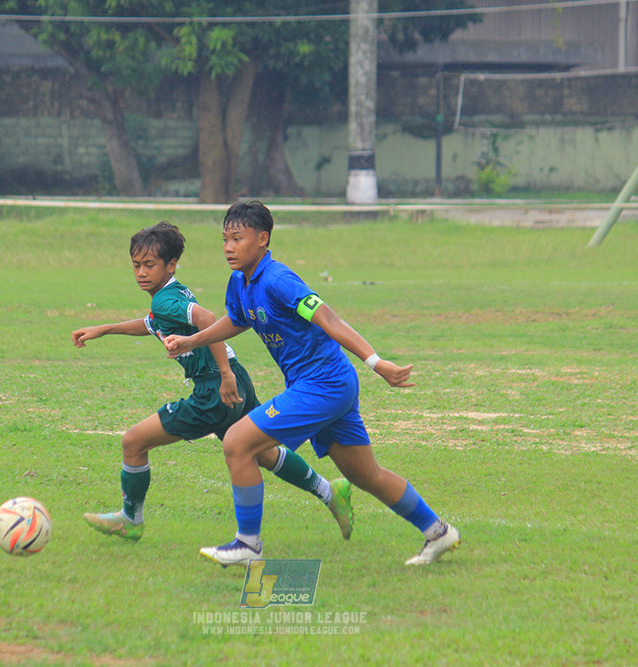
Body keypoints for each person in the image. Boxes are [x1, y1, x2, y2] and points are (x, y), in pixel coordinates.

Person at [164, 201, 460, 567]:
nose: (228, 247)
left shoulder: (278, 280)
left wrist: (375, 361)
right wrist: (192, 341)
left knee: (238, 442)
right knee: (363, 474)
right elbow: (238, 319)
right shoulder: (241, 281)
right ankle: (438, 531)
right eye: (224, 239)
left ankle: (248, 545)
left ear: (262, 239)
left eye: (237, 239)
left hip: (324, 385)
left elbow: (328, 318)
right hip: (326, 385)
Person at [73, 220, 353, 542]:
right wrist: (103, 329)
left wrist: (224, 376)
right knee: (261, 452)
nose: (140, 272)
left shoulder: (166, 300)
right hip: (236, 377)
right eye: (136, 265)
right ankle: (330, 492)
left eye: (149, 265)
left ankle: (130, 519)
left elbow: (207, 319)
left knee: (133, 442)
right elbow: (151, 324)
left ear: (171, 265)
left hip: (214, 388)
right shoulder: (169, 296)